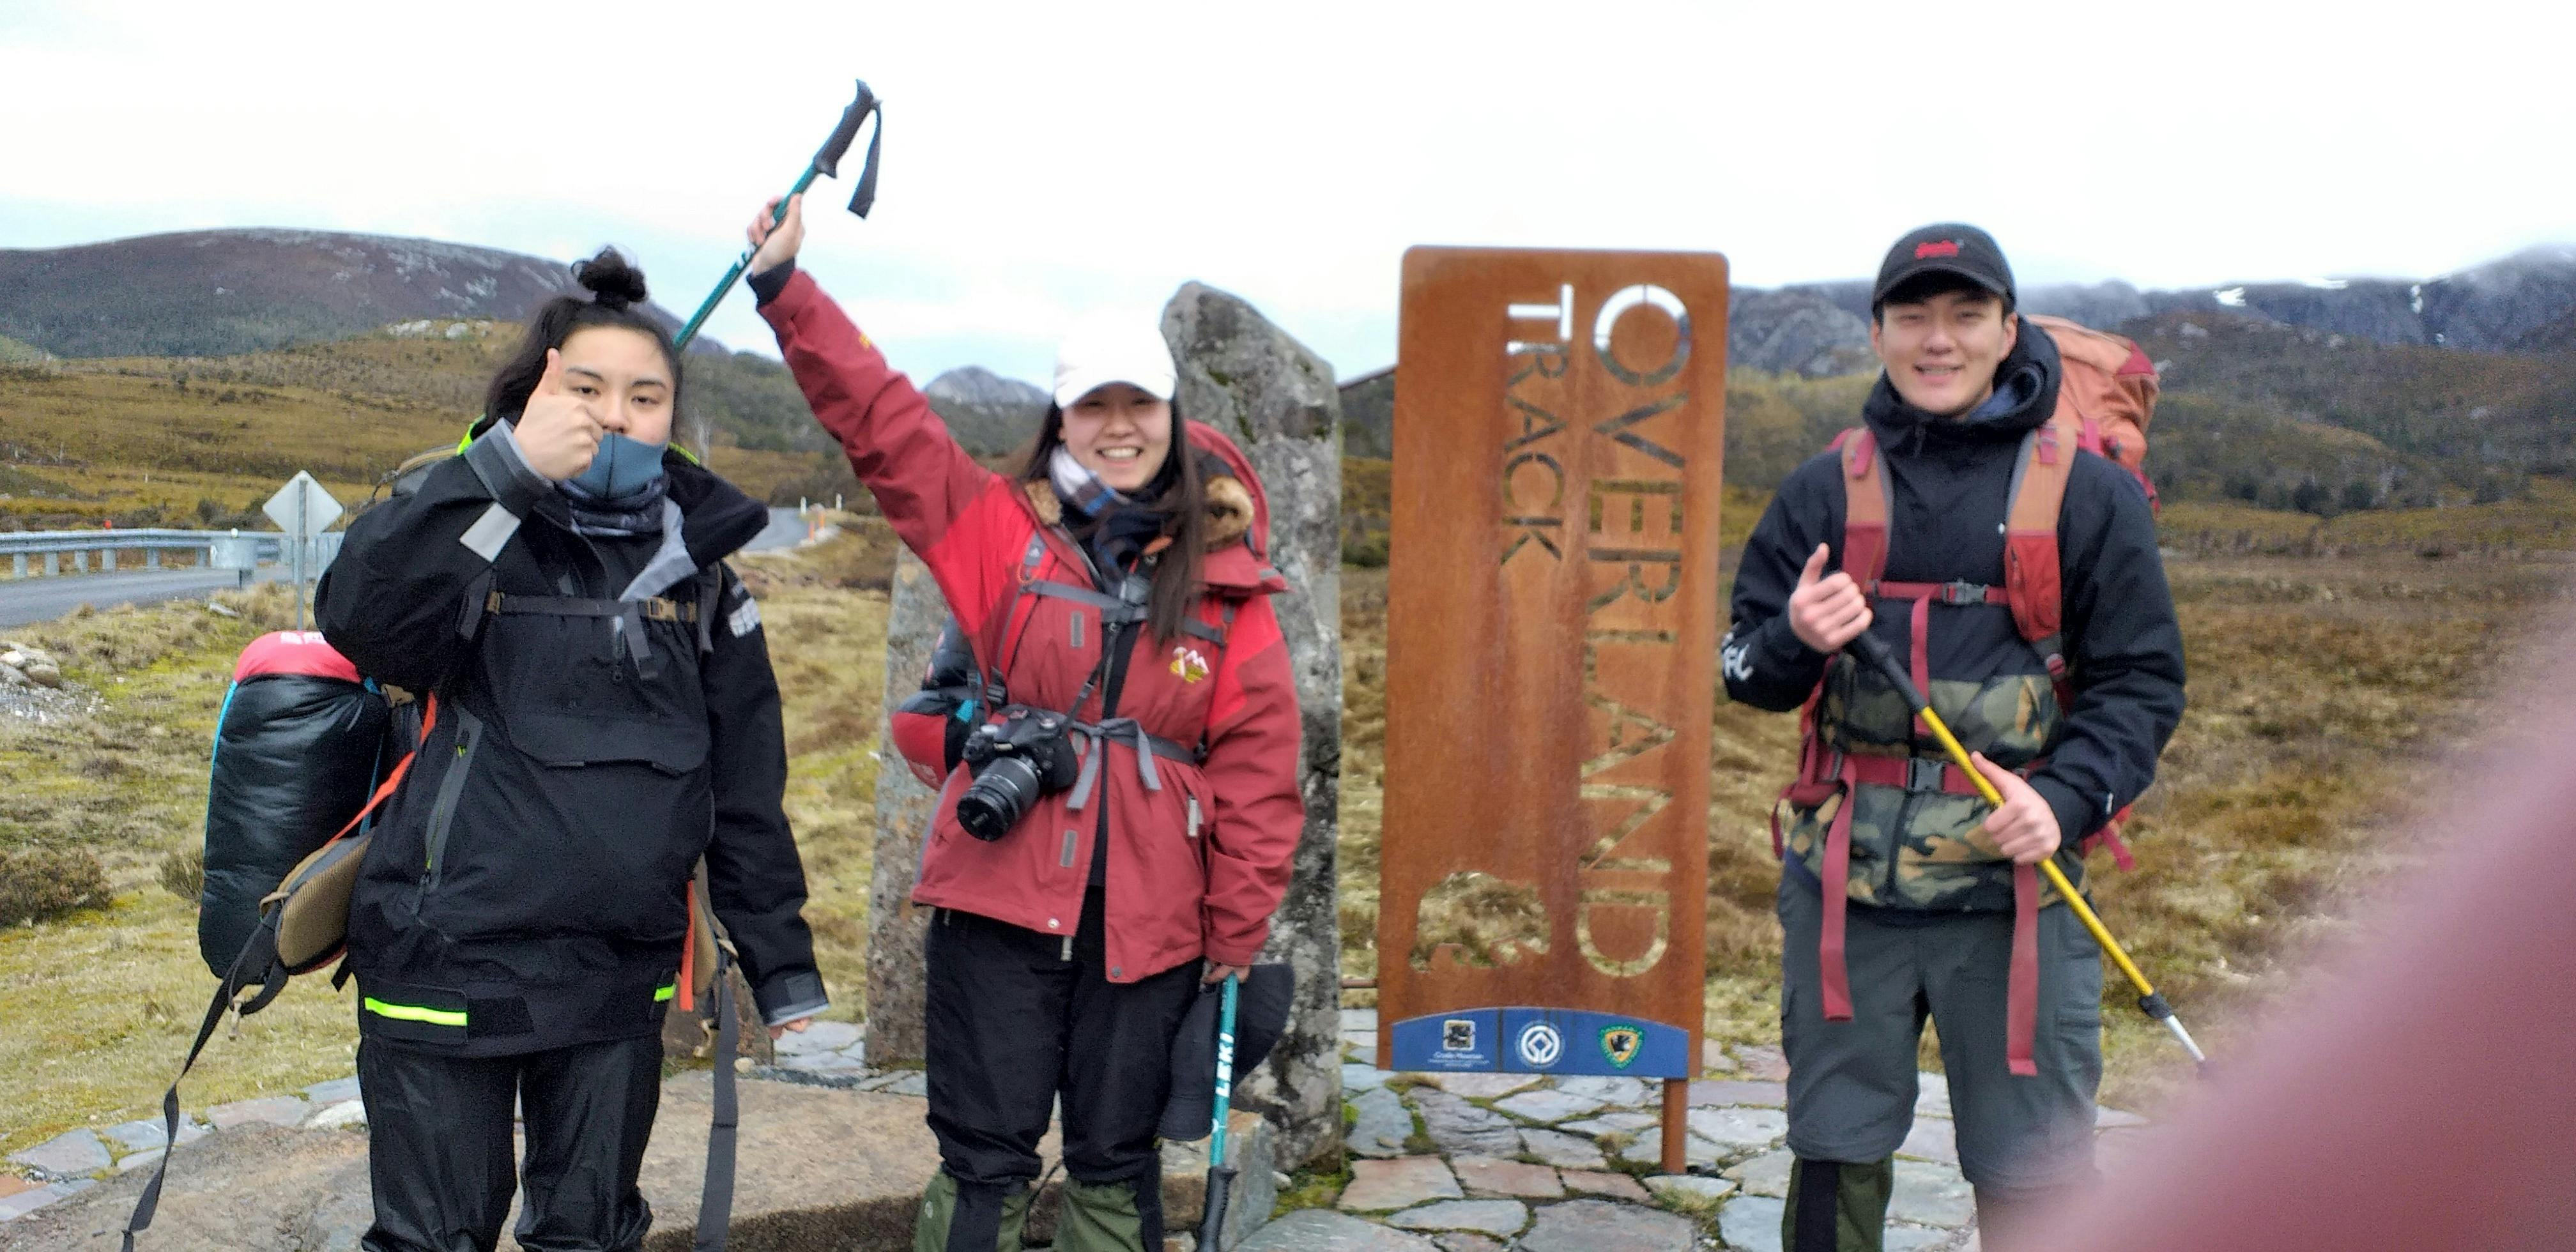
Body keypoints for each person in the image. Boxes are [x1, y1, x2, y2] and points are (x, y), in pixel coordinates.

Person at [740, 195, 1305, 1252]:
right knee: (984, 1156)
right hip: (1000, 901)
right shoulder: (998, 536)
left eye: (1141, 403)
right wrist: (786, 290)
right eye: (1095, 405)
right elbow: (886, 428)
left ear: (1174, 415)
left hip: (1151, 928)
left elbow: (1261, 774)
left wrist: (1235, 929)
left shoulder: (1230, 587)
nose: (1121, 425)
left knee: (1114, 1155)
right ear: (1061, 417)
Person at [316, 248, 827, 1252]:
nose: (617, 414)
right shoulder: (466, 511)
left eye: (647, 396)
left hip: (616, 971)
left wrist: (783, 971)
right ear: (534, 390)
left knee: (589, 1236)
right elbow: (360, 619)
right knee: (432, 1239)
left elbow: (744, 783)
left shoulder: (706, 574)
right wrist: (500, 471)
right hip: (443, 955)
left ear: (673, 418)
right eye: (584, 388)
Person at [1719, 224, 2186, 1252]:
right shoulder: (1820, 492)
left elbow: (2143, 684)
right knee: (1834, 1142)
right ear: (1879, 332)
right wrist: (1794, 638)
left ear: (2008, 330)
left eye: (1966, 314)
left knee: (2036, 1163)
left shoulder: (2090, 497)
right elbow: (1740, 669)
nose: (1940, 340)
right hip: (1844, 896)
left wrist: (2062, 804)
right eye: (1914, 315)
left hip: (2019, 894)